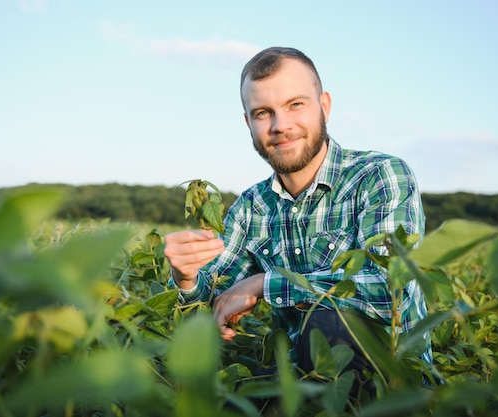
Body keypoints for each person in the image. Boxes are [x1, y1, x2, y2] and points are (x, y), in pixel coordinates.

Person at [164, 46, 431, 391]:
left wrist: (265, 283)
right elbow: (212, 307)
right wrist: (186, 279)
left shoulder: (379, 175)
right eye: (263, 112)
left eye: (296, 104)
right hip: (295, 381)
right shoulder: (251, 207)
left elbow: (390, 291)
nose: (281, 125)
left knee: (330, 324)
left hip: (390, 383)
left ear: (324, 106)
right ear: (249, 123)